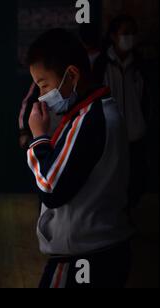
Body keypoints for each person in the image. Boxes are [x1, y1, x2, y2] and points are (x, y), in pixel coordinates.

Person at [26, 29, 133, 288]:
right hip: (102, 248)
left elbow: (51, 188)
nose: (42, 96)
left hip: (82, 256)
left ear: (72, 75)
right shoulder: (97, 112)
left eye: (44, 85)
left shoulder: (90, 119)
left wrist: (38, 135)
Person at [94, 15, 150, 209]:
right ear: (113, 36)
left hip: (136, 136)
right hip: (110, 137)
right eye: (125, 33)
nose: (130, 37)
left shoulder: (141, 66)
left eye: (133, 32)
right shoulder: (100, 66)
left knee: (135, 184)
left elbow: (146, 100)